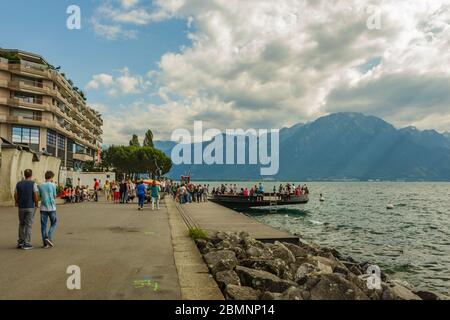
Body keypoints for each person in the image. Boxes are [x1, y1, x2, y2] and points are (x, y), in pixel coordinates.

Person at [14, 169, 39, 250]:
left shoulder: (18, 184)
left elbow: (15, 194)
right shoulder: (33, 184)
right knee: (28, 225)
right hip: (30, 207)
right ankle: (26, 243)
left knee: (21, 224)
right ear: (31, 175)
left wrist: (17, 202)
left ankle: (20, 242)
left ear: (25, 175)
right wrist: (36, 203)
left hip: (21, 207)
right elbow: (35, 194)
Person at [38, 171, 57, 249]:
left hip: (43, 208)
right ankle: (49, 237)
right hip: (52, 208)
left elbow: (39, 195)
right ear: (51, 177)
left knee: (43, 226)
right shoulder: (53, 185)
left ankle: (45, 243)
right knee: (54, 223)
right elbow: (55, 196)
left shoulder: (41, 185)